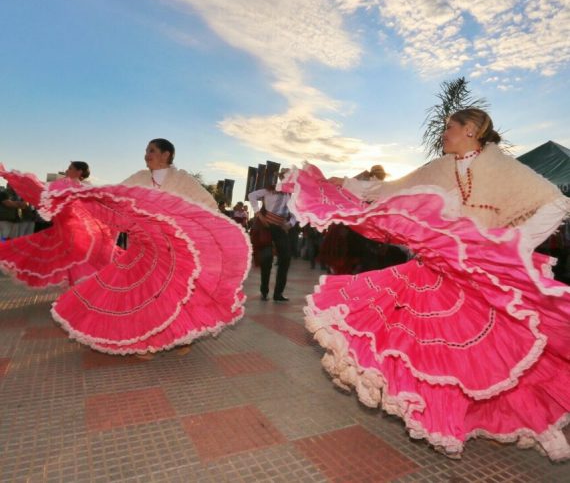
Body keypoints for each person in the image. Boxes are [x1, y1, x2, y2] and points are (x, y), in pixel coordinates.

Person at [287, 108, 570, 461]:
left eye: (450, 127)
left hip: (480, 279)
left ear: (472, 129)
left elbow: (556, 202)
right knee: (439, 357)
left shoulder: (503, 167)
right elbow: (391, 188)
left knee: (496, 355)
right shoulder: (439, 167)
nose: (444, 133)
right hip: (436, 275)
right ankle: (447, 420)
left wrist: (511, 246)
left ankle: (517, 421)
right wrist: (344, 184)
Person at [50, 138, 251, 357]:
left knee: (174, 296)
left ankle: (181, 335)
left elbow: (208, 205)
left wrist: (182, 222)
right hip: (142, 250)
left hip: (172, 251)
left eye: (152, 150)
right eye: (146, 150)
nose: (147, 155)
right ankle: (145, 343)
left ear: (166, 154)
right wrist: (80, 193)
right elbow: (113, 195)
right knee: (141, 298)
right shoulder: (139, 177)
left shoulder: (182, 180)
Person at [0, 162, 117, 287]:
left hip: (74, 229)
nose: (66, 170)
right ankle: (77, 285)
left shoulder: (83, 188)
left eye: (70, 168)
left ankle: (82, 285)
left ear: (79, 172)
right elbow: (41, 189)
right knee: (68, 257)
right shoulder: (63, 185)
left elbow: (95, 206)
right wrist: (13, 177)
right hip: (64, 228)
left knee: (76, 257)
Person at [248, 171, 295, 301]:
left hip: (281, 228)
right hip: (266, 227)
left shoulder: (292, 195)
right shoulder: (270, 189)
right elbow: (252, 195)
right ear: (281, 177)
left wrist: (290, 224)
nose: (288, 179)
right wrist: (258, 214)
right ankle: (264, 291)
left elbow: (296, 213)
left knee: (286, 258)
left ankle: (278, 294)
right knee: (267, 258)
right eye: (285, 176)